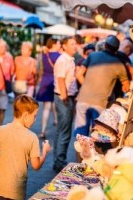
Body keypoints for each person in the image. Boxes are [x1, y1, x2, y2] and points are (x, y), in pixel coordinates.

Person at [0, 95, 51, 200]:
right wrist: (45, 152)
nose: (35, 119)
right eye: (34, 116)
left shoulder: (0, 130)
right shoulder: (32, 137)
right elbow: (36, 165)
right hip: (15, 193)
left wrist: (5, 168)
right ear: (26, 115)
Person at [73, 36, 129, 140]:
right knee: (98, 137)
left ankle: (81, 156)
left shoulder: (93, 56)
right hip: (100, 103)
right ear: (116, 50)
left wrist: (87, 86)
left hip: (83, 99)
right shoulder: (118, 64)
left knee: (80, 136)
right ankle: (94, 155)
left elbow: (79, 74)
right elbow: (127, 87)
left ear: (105, 45)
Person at [52, 36, 78, 172]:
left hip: (66, 97)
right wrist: (65, 96)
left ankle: (57, 159)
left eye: (75, 43)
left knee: (61, 129)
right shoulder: (63, 60)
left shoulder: (69, 60)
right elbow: (61, 79)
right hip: (64, 97)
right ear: (64, 46)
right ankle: (60, 160)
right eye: (72, 44)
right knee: (65, 131)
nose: (75, 46)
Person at [35, 38, 61, 139]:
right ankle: (56, 122)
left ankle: (42, 131)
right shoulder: (59, 56)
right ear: (54, 44)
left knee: (46, 108)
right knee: (55, 104)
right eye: (58, 43)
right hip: (55, 82)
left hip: (45, 81)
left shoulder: (44, 55)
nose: (60, 45)